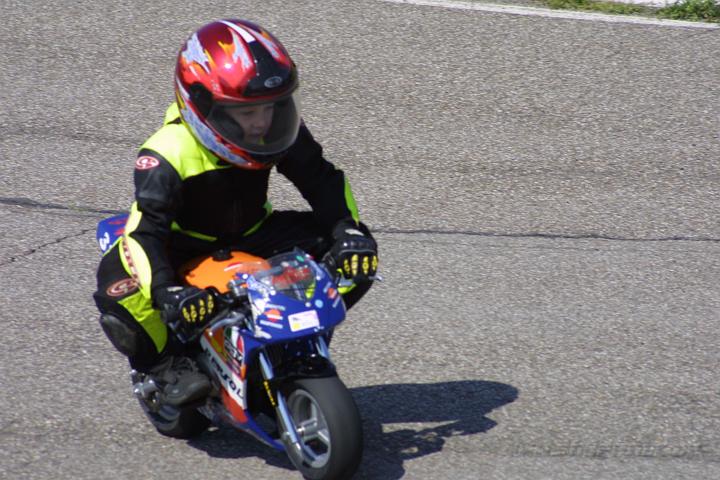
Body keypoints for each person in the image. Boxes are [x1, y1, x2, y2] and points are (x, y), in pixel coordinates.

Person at [93, 19, 378, 407]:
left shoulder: (277, 130)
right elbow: (146, 232)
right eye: (246, 112)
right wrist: (165, 291)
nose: (262, 122)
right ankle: (167, 366)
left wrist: (346, 231)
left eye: (271, 107)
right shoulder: (166, 153)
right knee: (118, 293)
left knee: (357, 250)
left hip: (253, 231)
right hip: (177, 245)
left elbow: (322, 180)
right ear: (203, 106)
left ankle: (300, 338)